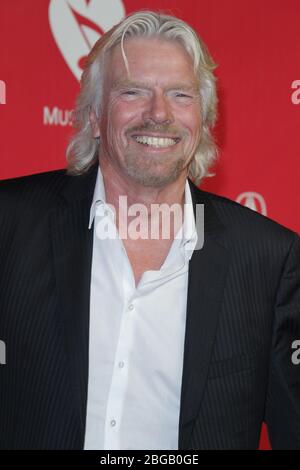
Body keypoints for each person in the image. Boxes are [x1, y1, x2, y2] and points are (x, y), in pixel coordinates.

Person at [0, 10, 299, 450]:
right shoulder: (10, 224)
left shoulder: (270, 259)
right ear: (94, 114)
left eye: (180, 94)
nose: (158, 113)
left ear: (203, 118)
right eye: (133, 91)